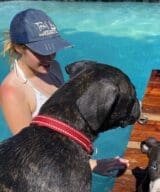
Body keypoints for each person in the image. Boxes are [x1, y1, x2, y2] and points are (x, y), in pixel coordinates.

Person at [0, 8, 128, 175]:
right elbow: (34, 154)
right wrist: (92, 166)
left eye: (53, 49)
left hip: (71, 160)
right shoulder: (12, 91)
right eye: (41, 51)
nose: (50, 57)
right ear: (18, 48)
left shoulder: (53, 67)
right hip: (45, 175)